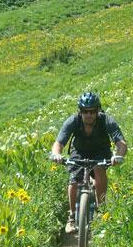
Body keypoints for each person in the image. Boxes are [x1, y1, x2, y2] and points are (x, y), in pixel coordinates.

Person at [51, 91, 127, 233]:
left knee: (99, 169)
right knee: (73, 180)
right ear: (80, 111)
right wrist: (56, 154)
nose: (89, 115)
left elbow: (121, 142)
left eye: (92, 111)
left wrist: (118, 156)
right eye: (85, 111)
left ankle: (101, 212)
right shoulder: (73, 121)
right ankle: (72, 217)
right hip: (79, 152)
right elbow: (59, 142)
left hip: (101, 152)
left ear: (98, 110)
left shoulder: (106, 120)